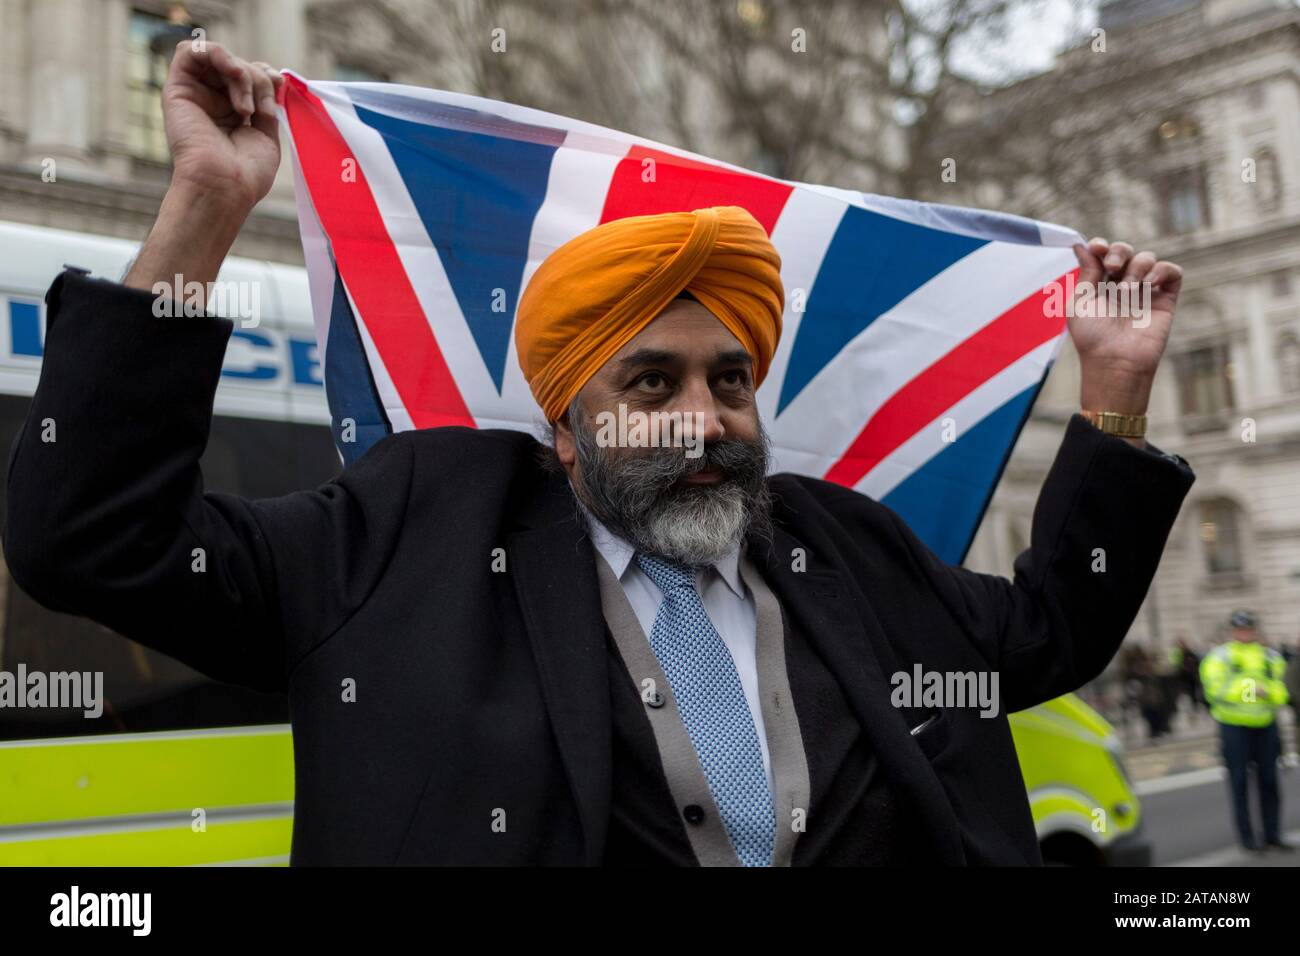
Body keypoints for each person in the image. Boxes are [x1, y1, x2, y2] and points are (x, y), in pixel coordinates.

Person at [1, 42, 1196, 866]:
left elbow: (1051, 626)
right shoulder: (417, 530)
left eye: (729, 379)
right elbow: (97, 539)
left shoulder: (838, 544)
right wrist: (205, 204)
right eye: (651, 381)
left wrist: (1116, 390)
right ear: (562, 430)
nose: (701, 415)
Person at [1200, 611, 1292, 852]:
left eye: (1249, 628)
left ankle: (1272, 834)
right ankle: (1248, 838)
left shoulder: (1270, 656)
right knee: (1239, 782)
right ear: (1232, 630)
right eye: (1240, 629)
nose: (1245, 633)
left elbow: (1283, 691)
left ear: (1255, 629)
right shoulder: (1220, 656)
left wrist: (1265, 692)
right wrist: (1254, 690)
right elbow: (1214, 689)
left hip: (1266, 725)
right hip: (1234, 726)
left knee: (1269, 781)